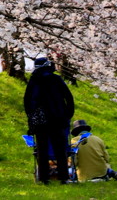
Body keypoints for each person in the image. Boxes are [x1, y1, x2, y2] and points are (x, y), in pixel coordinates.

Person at [23, 56, 75, 184]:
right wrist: (68, 114)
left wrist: (31, 117)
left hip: (40, 122)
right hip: (58, 118)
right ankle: (64, 177)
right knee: (60, 148)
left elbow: (27, 101)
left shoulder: (34, 81)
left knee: (42, 149)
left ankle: (44, 178)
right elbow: (68, 97)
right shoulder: (56, 79)